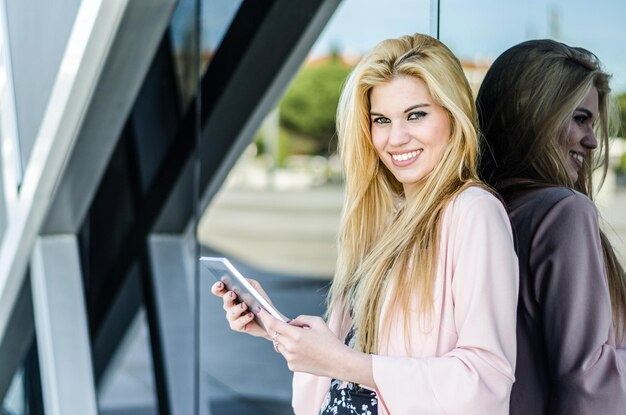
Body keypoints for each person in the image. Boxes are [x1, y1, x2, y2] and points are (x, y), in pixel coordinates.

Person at [212, 33, 518, 415]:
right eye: (381, 120)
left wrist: (338, 360)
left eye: (416, 115)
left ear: (453, 116)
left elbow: (485, 381)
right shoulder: (383, 217)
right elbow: (355, 353)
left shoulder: (474, 212)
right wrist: (276, 329)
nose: (395, 138)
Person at [476, 39, 626, 414]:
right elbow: (589, 379)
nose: (592, 141)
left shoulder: (479, 210)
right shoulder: (564, 212)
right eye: (580, 118)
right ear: (535, 117)